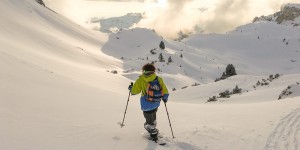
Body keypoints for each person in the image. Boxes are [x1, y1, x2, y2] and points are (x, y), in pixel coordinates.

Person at [128, 63, 169, 140]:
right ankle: (152, 125)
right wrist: (165, 98)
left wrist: (131, 89)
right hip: (156, 102)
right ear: (153, 71)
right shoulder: (158, 79)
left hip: (146, 104)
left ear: (144, 71)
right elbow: (165, 90)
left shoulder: (141, 79)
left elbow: (134, 92)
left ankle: (153, 132)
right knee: (153, 115)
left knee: (148, 117)